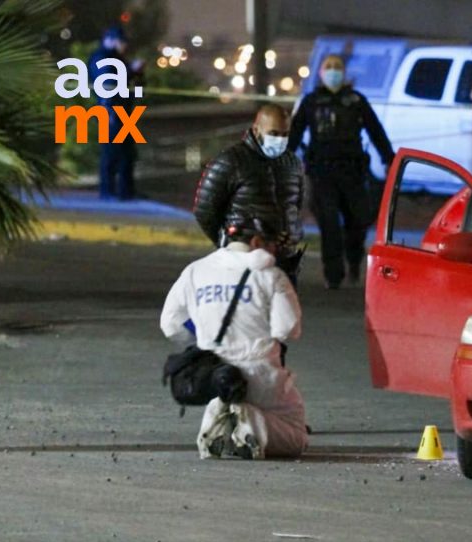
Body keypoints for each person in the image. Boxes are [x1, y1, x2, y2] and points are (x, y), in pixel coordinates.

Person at [160, 220, 308, 460]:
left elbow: (170, 324)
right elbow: (288, 329)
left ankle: (221, 413)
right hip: (261, 372)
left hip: (214, 374)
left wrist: (206, 338)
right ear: (257, 242)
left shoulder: (195, 270)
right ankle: (250, 422)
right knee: (296, 435)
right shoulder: (270, 274)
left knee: (233, 395)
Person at [288, 54, 395, 289]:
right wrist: (283, 160)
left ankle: (354, 261)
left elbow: (376, 131)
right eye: (329, 67)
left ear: (344, 73)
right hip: (322, 173)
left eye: (338, 67)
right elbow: (295, 134)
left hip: (352, 172)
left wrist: (390, 158)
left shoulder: (356, 101)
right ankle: (333, 275)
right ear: (320, 73)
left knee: (357, 222)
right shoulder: (312, 101)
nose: (333, 71)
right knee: (329, 224)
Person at [194, 104, 306, 286]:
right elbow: (205, 210)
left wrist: (289, 233)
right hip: (243, 260)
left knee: (285, 313)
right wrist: (230, 241)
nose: (280, 140)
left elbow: (294, 205)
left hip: (285, 261)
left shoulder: (292, 163)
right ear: (257, 129)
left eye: (285, 134)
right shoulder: (230, 161)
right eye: (274, 133)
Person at [88, 26, 138, 200]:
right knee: (112, 152)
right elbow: (109, 84)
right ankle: (109, 191)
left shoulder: (113, 58)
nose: (124, 46)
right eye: (122, 42)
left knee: (125, 153)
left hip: (119, 111)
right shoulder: (102, 58)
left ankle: (125, 191)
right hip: (111, 113)